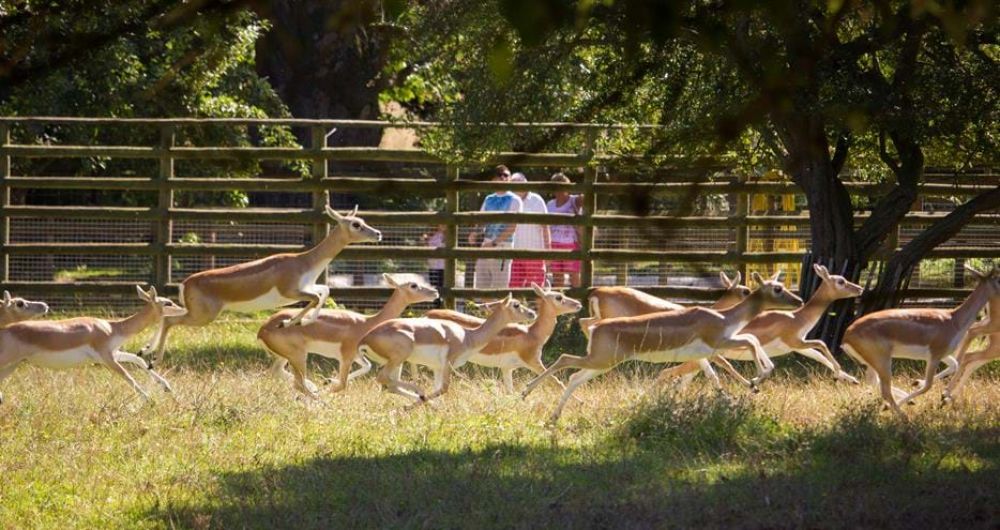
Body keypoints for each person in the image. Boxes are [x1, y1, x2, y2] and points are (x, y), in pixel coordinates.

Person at [469, 165, 523, 289]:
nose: (503, 178)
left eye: (506, 175)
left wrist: (494, 243)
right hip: (486, 245)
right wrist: (475, 233)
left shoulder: (515, 200)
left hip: (503, 247)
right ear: (493, 179)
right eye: (500, 175)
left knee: (498, 291)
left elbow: (512, 228)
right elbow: (481, 221)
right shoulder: (489, 199)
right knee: (481, 288)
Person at [508, 172, 550, 288]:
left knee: (536, 290)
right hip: (514, 254)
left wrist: (548, 249)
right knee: (513, 290)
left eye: (520, 183)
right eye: (514, 184)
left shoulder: (537, 200)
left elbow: (546, 226)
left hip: (535, 254)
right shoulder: (510, 200)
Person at [547, 172, 582, 287]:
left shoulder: (574, 200)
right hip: (554, 245)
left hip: (570, 245)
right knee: (557, 278)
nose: (560, 190)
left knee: (574, 276)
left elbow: (587, 196)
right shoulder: (550, 204)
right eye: (557, 187)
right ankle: (560, 303)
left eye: (563, 186)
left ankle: (579, 300)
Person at [422, 224, 446, 290]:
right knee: (433, 285)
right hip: (433, 264)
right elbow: (427, 247)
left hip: (442, 265)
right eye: (441, 224)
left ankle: (441, 299)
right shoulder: (432, 235)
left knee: (441, 286)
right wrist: (425, 241)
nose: (443, 226)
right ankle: (436, 300)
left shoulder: (448, 236)